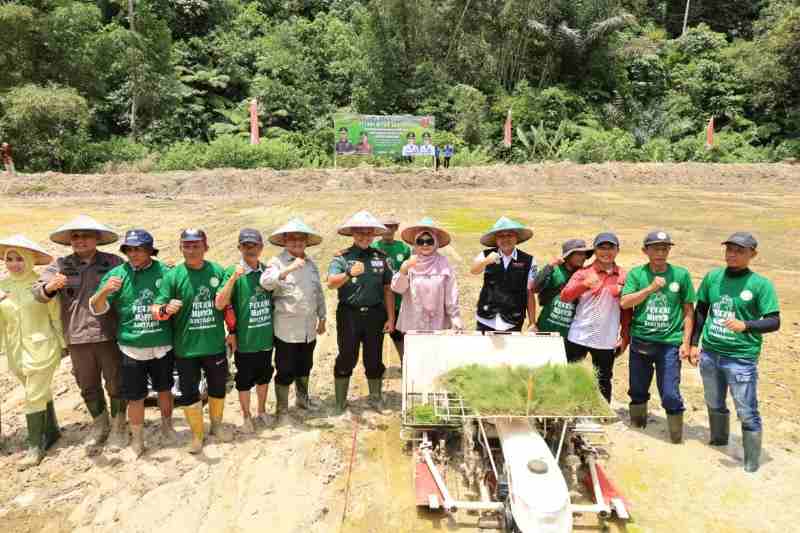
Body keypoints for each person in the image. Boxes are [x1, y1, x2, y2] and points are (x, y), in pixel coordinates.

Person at [33, 215, 127, 453]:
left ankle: (118, 426)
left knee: (116, 382)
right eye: (75, 236)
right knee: (87, 384)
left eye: (86, 235)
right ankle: (99, 424)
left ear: (97, 238)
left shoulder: (114, 262)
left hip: (109, 334)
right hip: (76, 336)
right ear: (69, 241)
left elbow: (132, 284)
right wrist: (49, 287)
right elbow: (38, 292)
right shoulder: (60, 265)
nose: (81, 240)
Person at [690, 232, 780, 472]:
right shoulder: (713, 277)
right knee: (713, 401)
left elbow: (774, 321)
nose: (732, 254)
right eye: (729, 249)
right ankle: (718, 440)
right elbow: (701, 311)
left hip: (741, 358)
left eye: (740, 250)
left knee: (747, 410)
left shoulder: (761, 285)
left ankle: (751, 462)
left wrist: (746, 325)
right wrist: (693, 343)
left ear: (753, 254)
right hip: (710, 353)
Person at [89, 230, 176, 457]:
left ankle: (167, 427)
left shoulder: (165, 272)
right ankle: (138, 439)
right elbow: (96, 307)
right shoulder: (117, 275)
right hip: (131, 348)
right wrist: (105, 291)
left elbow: (178, 299)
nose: (134, 254)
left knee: (165, 389)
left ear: (150, 250)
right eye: (130, 249)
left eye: (139, 249)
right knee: (135, 396)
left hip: (161, 345)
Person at [151, 229, 231, 454]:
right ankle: (197, 435)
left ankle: (216, 426)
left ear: (205, 247)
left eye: (196, 245)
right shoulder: (173, 275)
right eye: (187, 245)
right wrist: (166, 309)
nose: (192, 250)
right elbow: (155, 309)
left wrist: (232, 331)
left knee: (217, 387)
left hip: (214, 345)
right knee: (188, 393)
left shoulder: (217, 271)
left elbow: (228, 305)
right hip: (186, 348)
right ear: (181, 248)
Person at [620, 231, 695, 443]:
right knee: (637, 389)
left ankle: (676, 437)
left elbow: (688, 310)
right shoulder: (637, 274)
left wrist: (687, 343)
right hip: (641, 341)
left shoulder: (681, 275)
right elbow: (625, 302)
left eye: (665, 248)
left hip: (669, 344)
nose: (660, 252)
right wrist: (650, 288)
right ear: (645, 251)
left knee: (670, 393)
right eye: (655, 248)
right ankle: (637, 427)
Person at [0, 235, 65, 468]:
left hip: (42, 347)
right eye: (10, 259)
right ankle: (52, 430)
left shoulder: (41, 285)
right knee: (37, 391)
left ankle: (34, 447)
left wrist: (63, 342)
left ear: (29, 260)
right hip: (15, 351)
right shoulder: (3, 287)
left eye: (19, 259)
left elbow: (55, 315)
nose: (14, 263)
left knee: (33, 395)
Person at [327, 211, 395, 415]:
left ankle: (375, 398)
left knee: (373, 358)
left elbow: (388, 289)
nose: (364, 236)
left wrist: (391, 317)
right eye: (360, 233)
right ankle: (340, 402)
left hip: (375, 314)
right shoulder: (343, 257)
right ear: (353, 234)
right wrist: (348, 274)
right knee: (347, 356)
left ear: (374, 234)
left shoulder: (380, 257)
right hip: (349, 314)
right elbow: (331, 283)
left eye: (368, 233)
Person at [261, 218, 326, 421]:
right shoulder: (276, 262)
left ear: (306, 242)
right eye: (292, 239)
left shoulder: (311, 265)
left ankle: (302, 399)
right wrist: (289, 269)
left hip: (308, 328)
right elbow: (266, 283)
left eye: (301, 239)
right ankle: (282, 410)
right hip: (286, 330)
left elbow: (318, 292)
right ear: (285, 241)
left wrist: (322, 317)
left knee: (305, 366)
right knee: (285, 369)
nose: (297, 243)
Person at [215, 229, 275, 432]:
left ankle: (261, 411)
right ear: (239, 248)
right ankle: (246, 415)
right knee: (244, 380)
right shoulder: (232, 272)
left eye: (254, 245)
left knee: (265, 376)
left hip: (266, 337)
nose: (250, 249)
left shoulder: (267, 272)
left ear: (261, 248)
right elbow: (221, 304)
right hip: (245, 340)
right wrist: (232, 279)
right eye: (246, 245)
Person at [560, 232, 631, 403]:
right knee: (570, 373)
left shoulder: (624, 276)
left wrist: (625, 336)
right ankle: (568, 408)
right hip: (579, 334)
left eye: (610, 248)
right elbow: (565, 296)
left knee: (604, 378)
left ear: (617, 250)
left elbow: (627, 310)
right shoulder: (583, 273)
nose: (606, 252)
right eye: (601, 247)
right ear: (595, 250)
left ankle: (602, 412)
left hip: (606, 338)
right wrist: (583, 285)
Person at [392, 217, 462, 333]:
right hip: (413, 322)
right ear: (415, 243)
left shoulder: (444, 263)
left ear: (436, 242)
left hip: (438, 322)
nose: (425, 244)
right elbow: (398, 289)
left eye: (429, 241)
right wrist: (403, 270)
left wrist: (455, 317)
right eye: (420, 241)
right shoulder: (409, 262)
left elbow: (451, 292)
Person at [469, 217, 537, 332]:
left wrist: (532, 322)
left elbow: (530, 293)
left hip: (512, 321)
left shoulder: (529, 260)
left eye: (509, 235)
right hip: (486, 319)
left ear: (516, 238)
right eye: (501, 236)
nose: (505, 239)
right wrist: (486, 261)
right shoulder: (486, 254)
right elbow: (473, 270)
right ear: (496, 239)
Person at [530, 239, 593, 338]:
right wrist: (549, 266)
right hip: (546, 328)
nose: (584, 257)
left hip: (570, 334)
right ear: (568, 255)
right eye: (579, 254)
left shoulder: (585, 275)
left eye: (584, 254)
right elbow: (534, 288)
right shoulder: (555, 270)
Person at [371, 216, 411, 360]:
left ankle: (405, 363)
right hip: (378, 300)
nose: (388, 229)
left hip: (399, 300)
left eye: (391, 226)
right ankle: (376, 366)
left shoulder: (404, 248)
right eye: (384, 226)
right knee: (374, 337)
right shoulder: (373, 248)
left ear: (396, 228)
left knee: (399, 335)